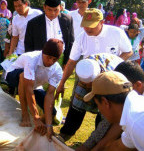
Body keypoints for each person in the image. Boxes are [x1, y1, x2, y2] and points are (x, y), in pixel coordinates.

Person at [55, 8, 133, 141]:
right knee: (77, 105)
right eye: (85, 25)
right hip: (87, 77)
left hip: (110, 79)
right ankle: (65, 134)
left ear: (102, 22)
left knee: (105, 111)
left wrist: (114, 65)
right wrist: (61, 83)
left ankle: (97, 141)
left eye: (91, 26)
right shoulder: (81, 37)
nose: (87, 29)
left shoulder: (116, 33)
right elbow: (71, 62)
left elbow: (128, 51)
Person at [5, 39, 63, 141]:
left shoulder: (58, 70)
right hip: (13, 76)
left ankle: (36, 124)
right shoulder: (32, 59)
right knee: (23, 76)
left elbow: (49, 95)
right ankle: (25, 114)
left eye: (54, 59)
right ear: (43, 53)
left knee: (52, 113)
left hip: (35, 85)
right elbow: (28, 88)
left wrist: (49, 125)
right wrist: (35, 116)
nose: (51, 62)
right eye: (48, 57)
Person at [70, 53, 123, 151]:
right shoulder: (85, 66)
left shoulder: (109, 83)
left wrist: (88, 146)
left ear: (105, 102)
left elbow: (109, 122)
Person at [83, 71, 144, 150]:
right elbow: (118, 146)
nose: (100, 111)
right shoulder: (132, 113)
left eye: (98, 105)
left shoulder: (136, 124)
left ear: (105, 102)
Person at [25, 0, 74, 66]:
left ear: (60, 7)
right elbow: (28, 45)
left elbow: (70, 42)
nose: (52, 13)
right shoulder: (33, 23)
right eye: (49, 10)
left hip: (61, 58)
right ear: (44, 7)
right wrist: (32, 63)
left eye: (56, 10)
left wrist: (66, 62)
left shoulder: (67, 20)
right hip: (40, 60)